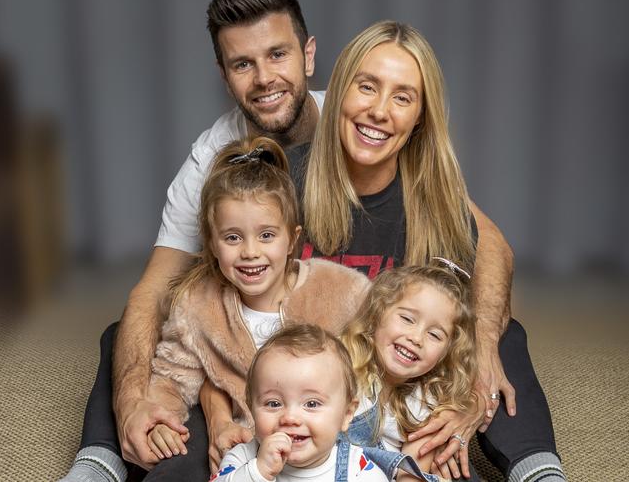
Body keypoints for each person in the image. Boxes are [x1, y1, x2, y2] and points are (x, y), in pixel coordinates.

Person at [58, 0, 552, 481]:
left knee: (500, 334)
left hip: (373, 376)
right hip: (273, 374)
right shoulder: (277, 177)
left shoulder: (427, 182)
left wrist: (470, 390)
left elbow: (488, 254)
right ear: (340, 90)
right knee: (136, 337)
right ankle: (99, 463)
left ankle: (539, 470)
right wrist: (185, 408)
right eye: (367, 88)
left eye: (402, 97)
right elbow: (191, 303)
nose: (379, 110)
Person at [142, 136, 372, 475]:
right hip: (250, 450)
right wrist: (161, 419)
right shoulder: (198, 307)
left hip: (333, 451)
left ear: (292, 239)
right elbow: (171, 377)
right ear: (213, 244)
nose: (250, 251)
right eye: (233, 237)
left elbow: (386, 351)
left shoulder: (339, 291)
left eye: (266, 235)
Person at [342, 263, 478, 480]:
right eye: (407, 319)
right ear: (378, 313)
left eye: (434, 335)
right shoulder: (341, 366)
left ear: (447, 352)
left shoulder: (427, 401)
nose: (416, 338)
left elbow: (411, 475)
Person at [209, 324, 390, 482]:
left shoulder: (359, 471)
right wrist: (257, 473)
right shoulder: (242, 458)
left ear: (346, 415)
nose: (290, 418)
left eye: (311, 404)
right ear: (251, 408)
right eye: (273, 404)